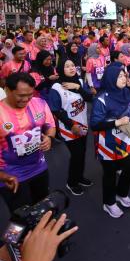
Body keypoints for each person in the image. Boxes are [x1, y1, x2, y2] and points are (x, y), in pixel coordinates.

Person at [0, 73, 55, 212]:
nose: (26, 99)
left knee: (43, 209)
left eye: (30, 94)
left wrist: (49, 138)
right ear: (7, 90)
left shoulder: (39, 103)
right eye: (21, 95)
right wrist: (3, 176)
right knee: (23, 216)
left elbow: (50, 126)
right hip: (11, 175)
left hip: (39, 167)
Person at [90, 66, 130, 218]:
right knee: (109, 174)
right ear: (110, 79)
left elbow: (129, 109)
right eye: (119, 76)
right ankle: (109, 203)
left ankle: (121, 194)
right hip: (108, 143)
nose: (124, 78)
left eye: (124, 75)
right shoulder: (101, 99)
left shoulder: (126, 92)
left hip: (125, 138)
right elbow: (95, 124)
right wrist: (116, 123)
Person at [47, 59, 93, 196]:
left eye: (73, 65)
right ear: (61, 69)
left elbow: (89, 98)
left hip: (83, 124)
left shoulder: (79, 81)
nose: (72, 68)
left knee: (82, 153)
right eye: (67, 66)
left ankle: (79, 177)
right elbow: (56, 110)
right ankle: (72, 182)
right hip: (69, 128)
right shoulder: (56, 87)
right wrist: (72, 125)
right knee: (76, 155)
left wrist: (78, 87)